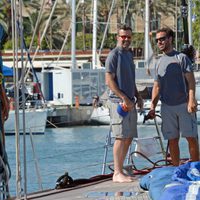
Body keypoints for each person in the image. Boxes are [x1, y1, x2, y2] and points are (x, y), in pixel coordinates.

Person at [149, 27, 199, 166]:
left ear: (170, 39)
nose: (160, 42)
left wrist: (191, 100)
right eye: (158, 40)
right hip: (166, 107)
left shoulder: (181, 58)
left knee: (191, 137)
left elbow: (190, 81)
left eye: (162, 39)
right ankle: (176, 169)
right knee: (172, 140)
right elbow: (157, 86)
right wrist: (152, 106)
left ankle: (196, 168)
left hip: (184, 105)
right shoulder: (158, 62)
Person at [105, 24, 143, 182]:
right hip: (118, 103)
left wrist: (137, 96)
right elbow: (109, 81)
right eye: (123, 36)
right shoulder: (113, 55)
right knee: (120, 136)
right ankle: (117, 172)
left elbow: (130, 79)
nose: (126, 39)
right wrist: (124, 98)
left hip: (130, 102)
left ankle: (120, 169)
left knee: (128, 137)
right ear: (117, 37)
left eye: (128, 36)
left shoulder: (128, 55)